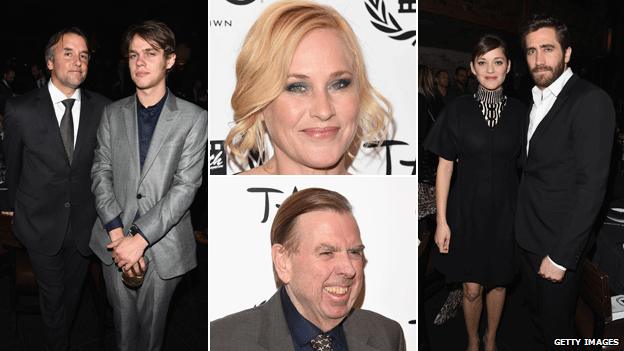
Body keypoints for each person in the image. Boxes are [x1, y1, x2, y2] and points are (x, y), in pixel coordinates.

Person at [89, 20, 207, 351]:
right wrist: (117, 234)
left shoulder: (194, 118)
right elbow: (100, 171)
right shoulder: (112, 113)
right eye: (133, 55)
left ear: (170, 60)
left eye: (150, 53)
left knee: (152, 337)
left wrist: (139, 239)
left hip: (164, 244)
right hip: (114, 241)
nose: (140, 62)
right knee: (125, 336)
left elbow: (185, 188)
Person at [1, 27, 110, 351]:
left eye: (84, 55)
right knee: (52, 299)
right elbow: (14, 166)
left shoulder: (104, 109)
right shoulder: (21, 109)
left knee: (71, 297)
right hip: (39, 224)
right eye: (68, 53)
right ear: (49, 62)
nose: (78, 61)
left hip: (83, 227)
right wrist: (17, 210)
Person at [514, 15, 615, 349]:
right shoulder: (535, 99)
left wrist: (560, 257)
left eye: (547, 49)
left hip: (558, 246)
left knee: (557, 332)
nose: (539, 60)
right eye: (531, 51)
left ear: (567, 53)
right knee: (533, 321)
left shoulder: (590, 100)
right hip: (527, 238)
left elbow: (592, 187)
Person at [424, 34, 526, 351]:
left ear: (508, 67)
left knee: (498, 283)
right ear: (472, 67)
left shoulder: (523, 113)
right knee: (471, 288)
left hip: (506, 213)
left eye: (498, 62)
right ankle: (471, 340)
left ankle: (491, 338)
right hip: (466, 212)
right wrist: (442, 220)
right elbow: (445, 167)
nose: (490, 69)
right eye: (482, 62)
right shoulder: (458, 109)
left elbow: (531, 169)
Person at [211, 188, 405, 350]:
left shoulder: (387, 335)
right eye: (327, 253)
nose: (349, 269)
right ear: (283, 261)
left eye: (355, 252)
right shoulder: (222, 341)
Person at [224, 0, 392, 175]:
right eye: (297, 87)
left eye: (340, 84)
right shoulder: (221, 199)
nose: (324, 110)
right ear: (259, 105)